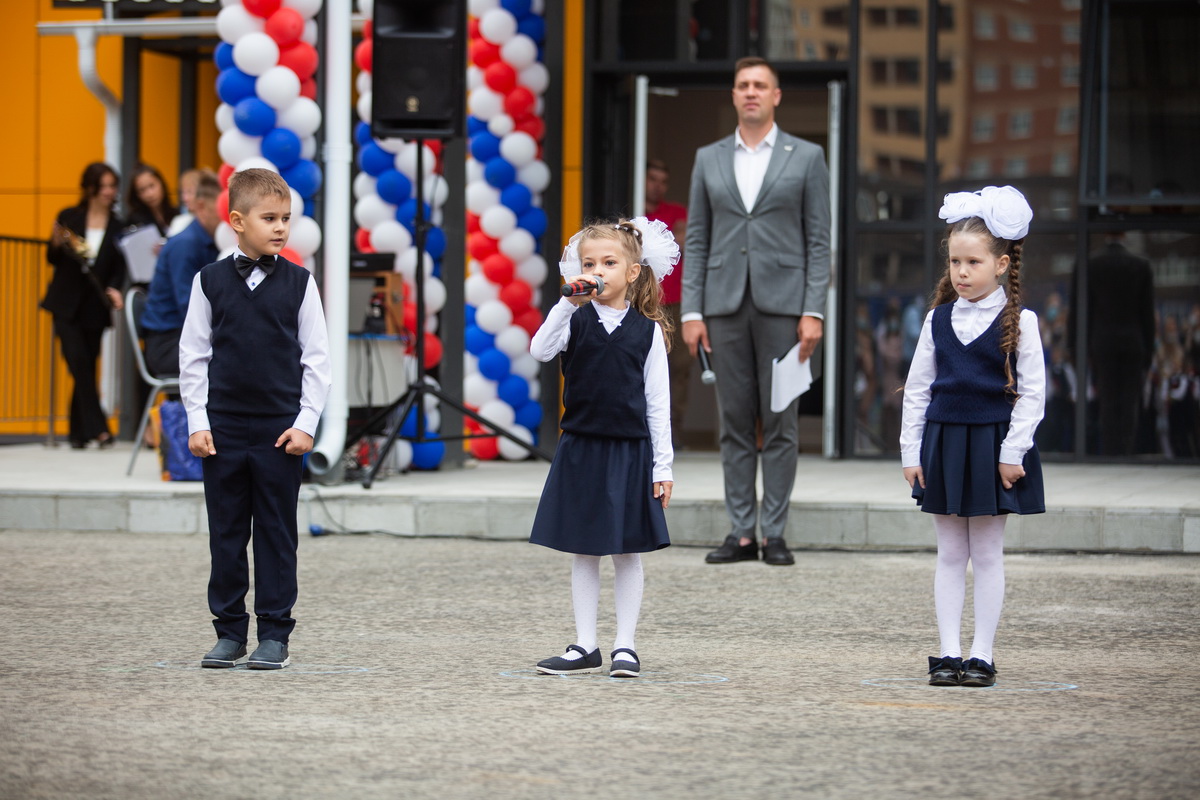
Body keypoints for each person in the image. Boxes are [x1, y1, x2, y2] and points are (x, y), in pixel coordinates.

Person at [179, 168, 331, 670]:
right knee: (225, 533)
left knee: (275, 532)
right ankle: (228, 632)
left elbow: (317, 359)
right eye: (270, 218)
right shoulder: (209, 282)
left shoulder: (301, 284)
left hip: (279, 432)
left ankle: (274, 634)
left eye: (286, 218)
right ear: (237, 220)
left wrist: (307, 422)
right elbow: (193, 356)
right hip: (221, 431)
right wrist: (197, 421)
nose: (281, 227)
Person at [682, 56, 831, 566]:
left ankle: (775, 533)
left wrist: (815, 310)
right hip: (722, 308)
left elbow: (819, 240)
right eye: (743, 85)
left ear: (776, 95)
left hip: (786, 310)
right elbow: (697, 238)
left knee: (782, 421)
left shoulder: (807, 156)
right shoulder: (709, 157)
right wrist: (690, 311)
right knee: (734, 422)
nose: (751, 92)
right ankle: (742, 533)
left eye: (760, 85)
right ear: (734, 95)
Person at [900, 186, 1046, 688]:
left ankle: (981, 654)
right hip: (944, 444)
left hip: (992, 448)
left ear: (1002, 263)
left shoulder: (1020, 322)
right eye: (955, 262)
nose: (961, 272)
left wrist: (1013, 453)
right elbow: (917, 390)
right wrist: (910, 452)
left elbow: (1032, 396)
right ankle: (947, 652)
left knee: (985, 553)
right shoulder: (937, 319)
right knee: (948, 553)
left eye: (973, 262)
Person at [528, 217, 678, 679]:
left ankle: (625, 645)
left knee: (626, 550)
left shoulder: (648, 330)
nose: (598, 270)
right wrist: (564, 304)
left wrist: (663, 466)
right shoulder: (574, 319)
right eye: (590, 262)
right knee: (584, 549)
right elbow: (539, 351)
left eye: (609, 263)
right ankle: (584, 643)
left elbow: (658, 402)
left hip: (631, 451)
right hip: (582, 449)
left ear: (633, 272)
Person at [41, 162, 127, 449]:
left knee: (86, 365)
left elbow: (118, 267)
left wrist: (115, 289)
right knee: (77, 361)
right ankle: (100, 428)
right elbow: (52, 259)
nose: (109, 191)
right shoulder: (69, 216)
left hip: (95, 305)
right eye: (103, 185)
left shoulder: (118, 226)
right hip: (65, 302)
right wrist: (55, 243)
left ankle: (77, 433)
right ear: (90, 187)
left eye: (112, 185)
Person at [139, 170, 221, 377]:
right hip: (169, 344)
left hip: (183, 339)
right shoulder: (186, 245)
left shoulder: (210, 242)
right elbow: (189, 308)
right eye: (222, 209)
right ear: (202, 207)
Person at [645, 159, 690, 443]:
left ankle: (674, 435)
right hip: (643, 303)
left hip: (677, 303)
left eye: (663, 180)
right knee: (641, 367)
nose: (657, 185)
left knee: (680, 371)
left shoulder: (677, 211)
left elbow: (685, 240)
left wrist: (651, 242)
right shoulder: (633, 210)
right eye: (652, 178)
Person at [125, 163, 178, 237]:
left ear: (161, 183)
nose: (149, 194)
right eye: (142, 190)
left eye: (152, 186)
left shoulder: (176, 214)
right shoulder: (135, 221)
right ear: (137, 195)